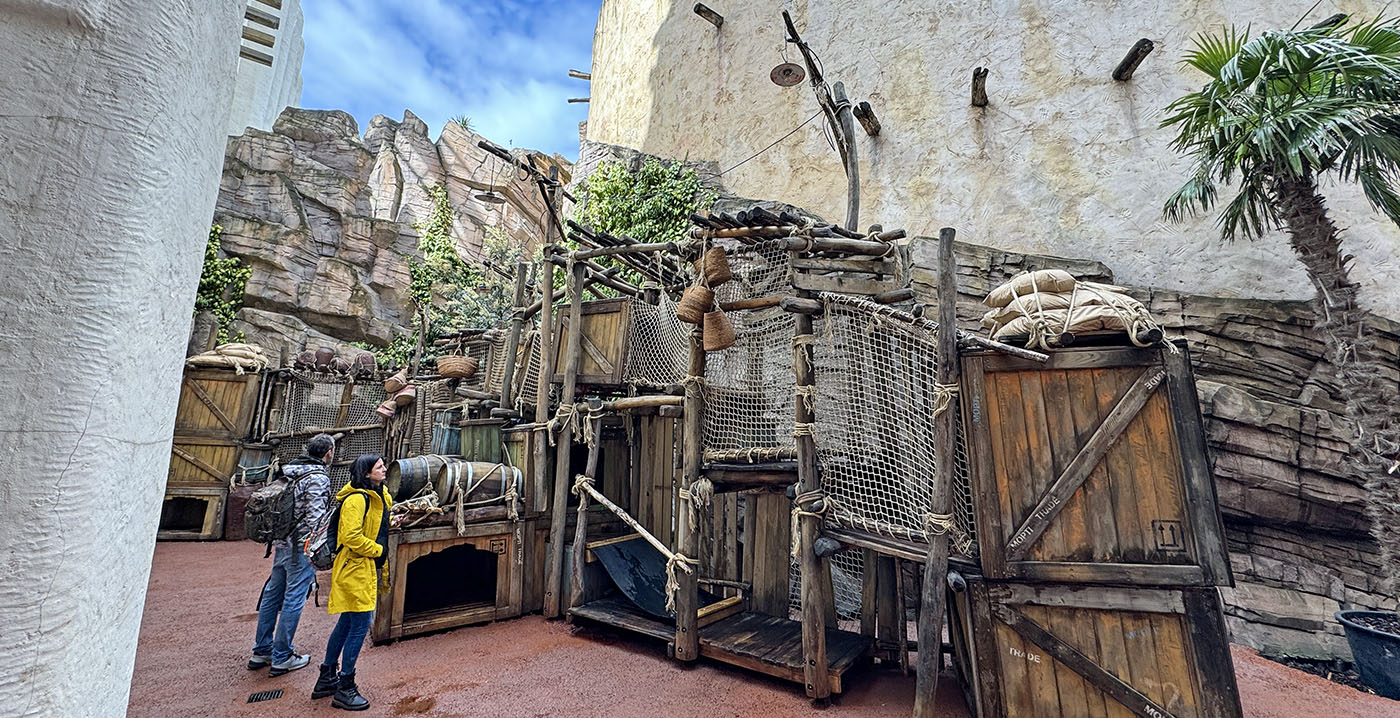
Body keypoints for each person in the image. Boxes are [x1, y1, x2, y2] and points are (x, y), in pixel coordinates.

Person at [249, 433, 333, 676]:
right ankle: (282, 655)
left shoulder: (290, 470)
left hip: (281, 542)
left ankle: (261, 649)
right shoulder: (317, 478)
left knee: (272, 595)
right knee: (294, 597)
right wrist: (317, 547)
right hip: (301, 546)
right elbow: (315, 516)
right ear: (328, 453)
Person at [312, 454, 392, 711]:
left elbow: (376, 518)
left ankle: (327, 676)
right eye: (379, 467)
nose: (384, 469)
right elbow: (352, 537)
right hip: (355, 567)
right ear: (366, 473)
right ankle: (345, 686)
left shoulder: (373, 495)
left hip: (361, 566)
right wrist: (378, 550)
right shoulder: (356, 499)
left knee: (346, 622)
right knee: (360, 623)